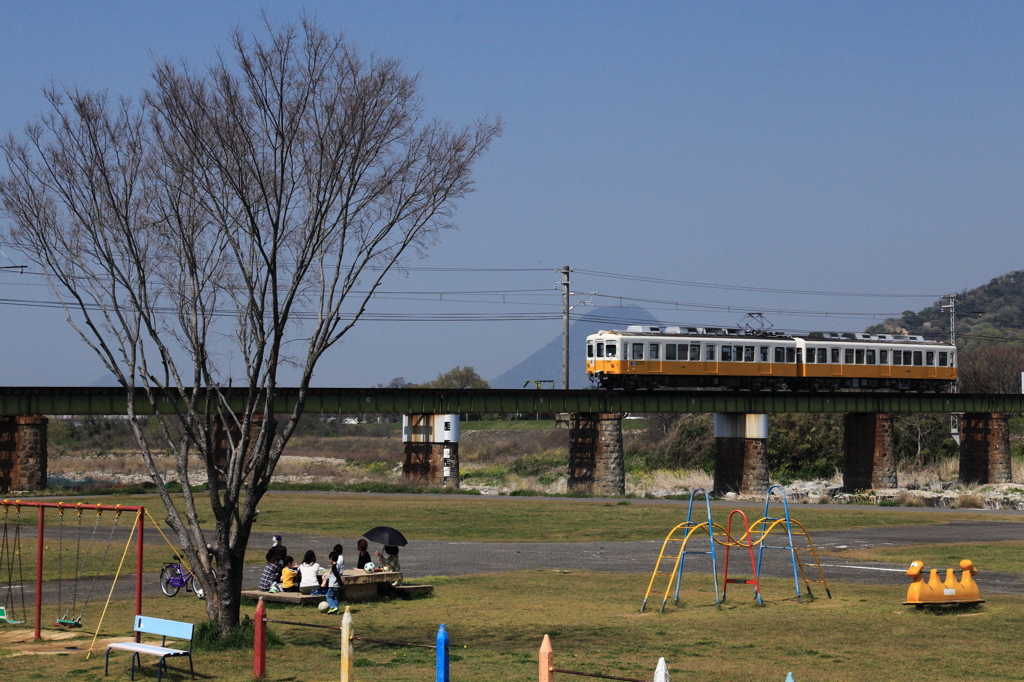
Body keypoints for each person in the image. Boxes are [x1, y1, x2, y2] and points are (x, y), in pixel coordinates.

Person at [322, 549, 344, 614]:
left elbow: (337, 576)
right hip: (337, 586)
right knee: (335, 597)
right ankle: (337, 610)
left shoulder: (333, 567)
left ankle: (333, 607)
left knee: (328, 596)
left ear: (331, 559)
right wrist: (341, 584)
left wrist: (342, 584)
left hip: (332, 585)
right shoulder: (338, 566)